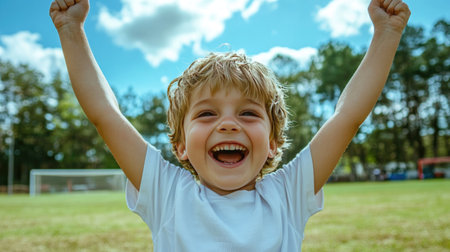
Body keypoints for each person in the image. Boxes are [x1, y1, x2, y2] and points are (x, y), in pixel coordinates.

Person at [49, 0, 410, 251]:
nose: (227, 125)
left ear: (272, 143)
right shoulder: (167, 193)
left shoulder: (287, 194)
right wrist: (72, 29)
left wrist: (387, 32)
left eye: (248, 113)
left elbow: (347, 116)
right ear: (181, 147)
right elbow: (105, 113)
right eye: (207, 114)